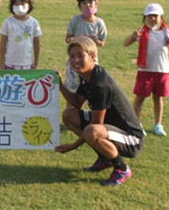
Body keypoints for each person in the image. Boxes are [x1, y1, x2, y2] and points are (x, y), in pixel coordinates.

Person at [55, 36, 144, 187]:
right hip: (110, 128)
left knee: (92, 131)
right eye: (72, 56)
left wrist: (72, 146)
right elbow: (76, 103)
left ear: (92, 57)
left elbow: (96, 125)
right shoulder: (87, 75)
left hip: (131, 138)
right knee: (69, 115)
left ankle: (121, 168)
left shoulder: (100, 83)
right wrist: (60, 84)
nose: (76, 60)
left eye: (80, 55)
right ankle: (105, 158)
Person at [123, 3, 169, 137]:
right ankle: (135, 123)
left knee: (158, 98)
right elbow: (126, 43)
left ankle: (158, 124)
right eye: (149, 16)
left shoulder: (166, 32)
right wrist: (133, 36)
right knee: (140, 97)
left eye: (155, 16)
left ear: (161, 18)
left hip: (161, 70)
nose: (152, 19)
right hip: (146, 71)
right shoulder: (142, 32)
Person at [63, 0, 107, 91]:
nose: (87, 5)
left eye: (90, 2)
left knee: (91, 88)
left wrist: (96, 41)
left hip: (91, 60)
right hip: (75, 59)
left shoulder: (99, 23)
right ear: (80, 6)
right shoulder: (75, 20)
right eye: (84, 3)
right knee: (72, 90)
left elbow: (102, 43)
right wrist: (77, 39)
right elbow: (67, 39)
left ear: (96, 4)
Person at [0, 0, 41, 70]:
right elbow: (3, 43)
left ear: (29, 5)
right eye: (17, 4)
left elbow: (36, 44)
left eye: (23, 4)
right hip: (10, 63)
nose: (20, 7)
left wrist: (35, 62)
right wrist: (1, 63)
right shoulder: (8, 22)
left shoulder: (34, 23)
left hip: (27, 63)